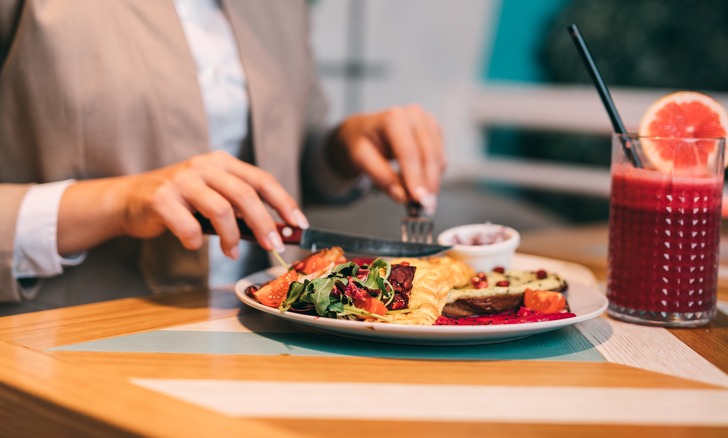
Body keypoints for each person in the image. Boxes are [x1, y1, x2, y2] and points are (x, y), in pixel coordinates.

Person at [0, 0, 445, 314]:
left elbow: (286, 158)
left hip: (271, 340)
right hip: (69, 339)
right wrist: (122, 201)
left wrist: (341, 149)